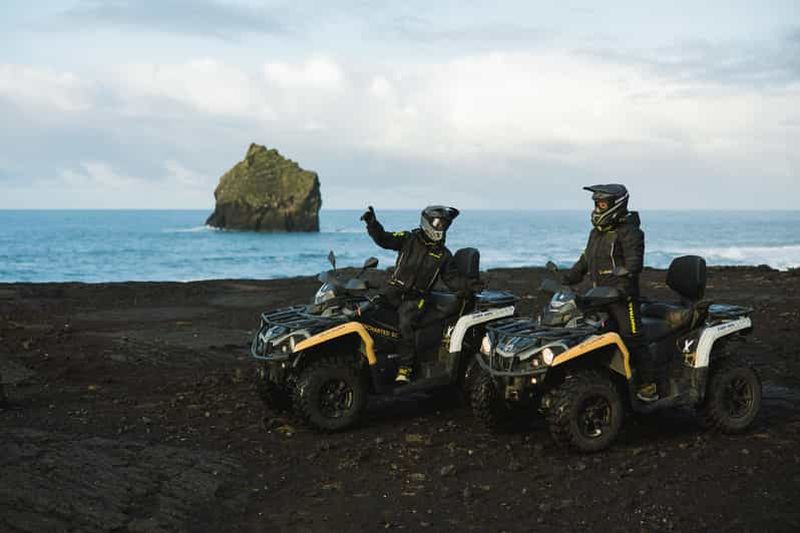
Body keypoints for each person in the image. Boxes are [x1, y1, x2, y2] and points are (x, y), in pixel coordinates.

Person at [561, 184, 658, 402]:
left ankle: (648, 384)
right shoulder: (596, 233)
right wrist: (568, 278)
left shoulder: (630, 232)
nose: (597, 208)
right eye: (596, 204)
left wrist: (626, 275)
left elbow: (635, 263)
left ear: (617, 205)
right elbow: (585, 260)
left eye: (602, 204)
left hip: (624, 298)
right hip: (599, 297)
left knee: (633, 337)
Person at [361, 205, 474, 383]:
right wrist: (372, 224)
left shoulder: (444, 254)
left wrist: (470, 286)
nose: (441, 227)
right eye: (438, 222)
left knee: (405, 323)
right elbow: (385, 239)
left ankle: (404, 369)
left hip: (417, 298)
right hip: (394, 289)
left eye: (445, 224)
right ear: (426, 222)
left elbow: (452, 279)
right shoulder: (408, 238)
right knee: (367, 309)